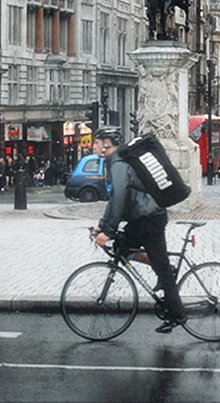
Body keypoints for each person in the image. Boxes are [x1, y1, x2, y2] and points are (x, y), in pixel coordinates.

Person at [90, 127, 187, 334]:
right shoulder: (117, 161)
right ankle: (161, 265)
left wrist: (107, 231)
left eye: (96, 142)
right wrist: (103, 225)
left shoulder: (119, 163)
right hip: (142, 218)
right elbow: (115, 199)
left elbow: (119, 199)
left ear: (107, 142)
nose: (93, 146)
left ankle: (177, 314)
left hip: (150, 219)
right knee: (121, 246)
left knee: (161, 268)